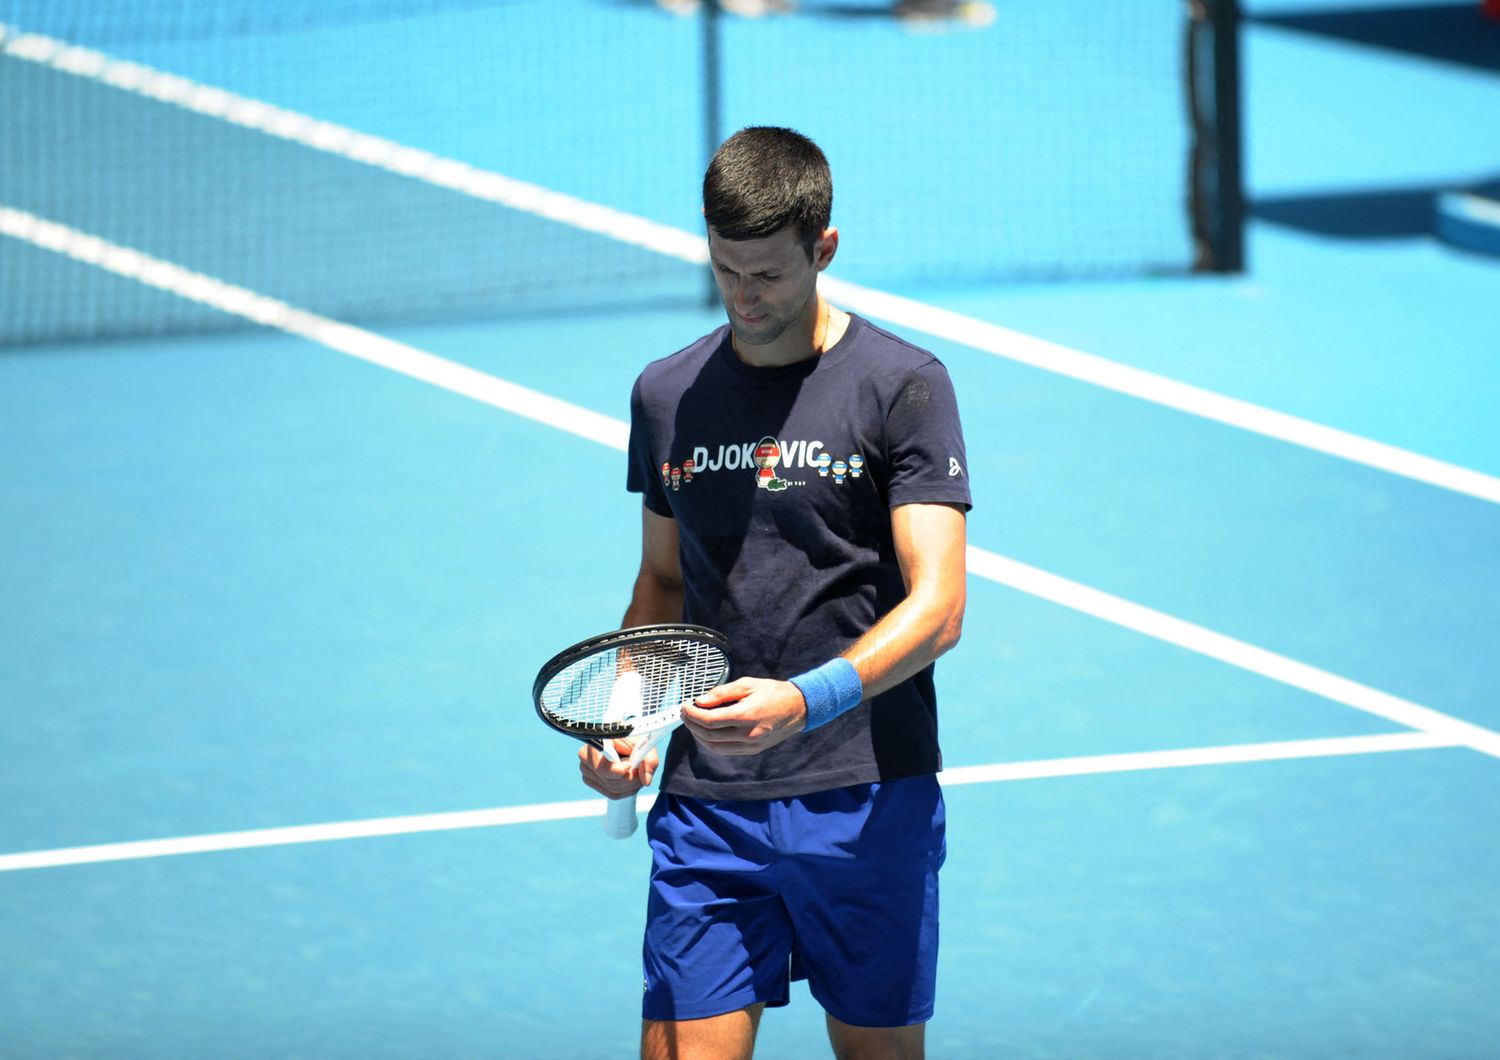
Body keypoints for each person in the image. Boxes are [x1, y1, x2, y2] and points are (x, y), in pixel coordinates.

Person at [578, 126, 971, 1060]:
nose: (745, 299)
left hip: (866, 794)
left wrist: (804, 701)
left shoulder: (902, 387)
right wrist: (627, 721)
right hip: (708, 803)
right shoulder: (666, 393)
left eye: (768, 275)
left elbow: (941, 606)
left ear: (823, 249)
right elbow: (662, 583)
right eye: (725, 272)